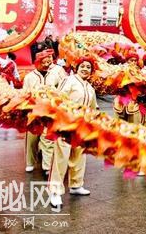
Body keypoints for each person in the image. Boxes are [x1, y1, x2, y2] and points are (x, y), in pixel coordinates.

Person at [49, 57, 97, 207]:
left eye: (88, 67)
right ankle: (55, 192)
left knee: (79, 155)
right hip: (65, 125)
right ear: (76, 67)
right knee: (61, 158)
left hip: (81, 127)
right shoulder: (69, 80)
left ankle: (76, 185)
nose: (85, 69)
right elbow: (58, 99)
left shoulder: (90, 87)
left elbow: (93, 108)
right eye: (82, 66)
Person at [22, 49, 68, 173]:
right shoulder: (29, 77)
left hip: (51, 111)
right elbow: (24, 94)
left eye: (49, 61)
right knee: (32, 138)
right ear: (37, 63)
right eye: (45, 62)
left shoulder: (57, 72)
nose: (48, 64)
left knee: (48, 138)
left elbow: (64, 87)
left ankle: (47, 166)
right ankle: (30, 162)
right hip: (34, 111)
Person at [113, 53, 142, 124]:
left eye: (135, 61)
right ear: (127, 61)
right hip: (122, 97)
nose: (134, 62)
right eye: (131, 60)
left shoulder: (139, 71)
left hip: (134, 99)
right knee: (119, 123)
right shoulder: (122, 69)